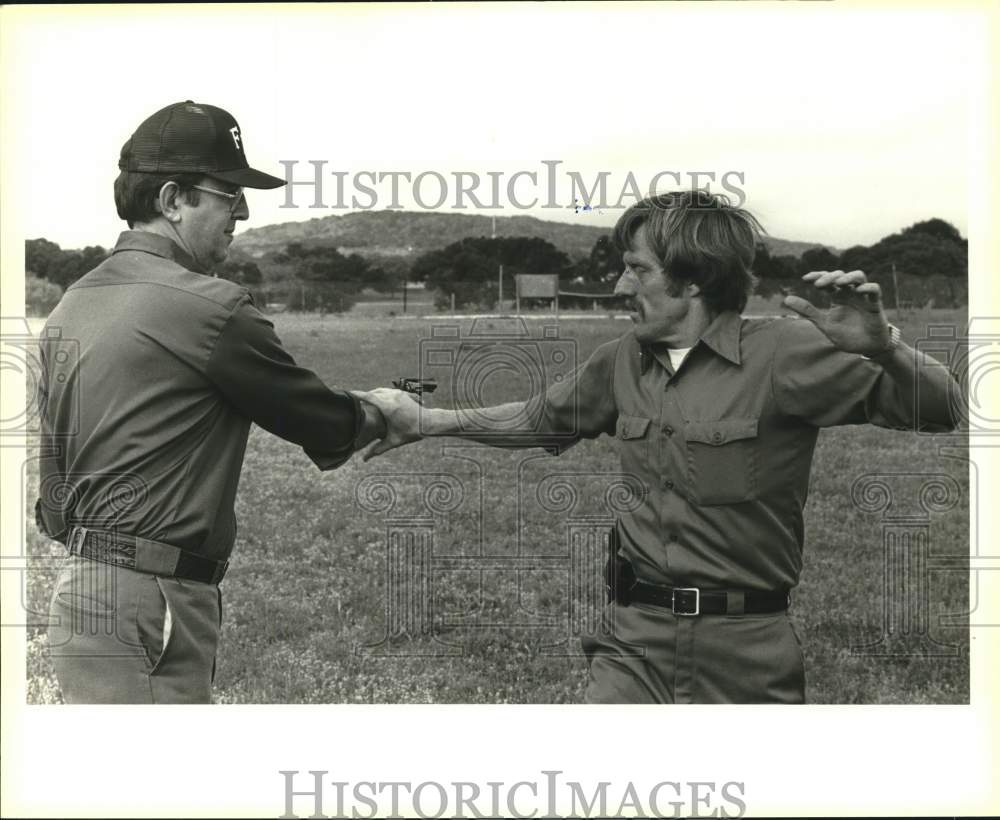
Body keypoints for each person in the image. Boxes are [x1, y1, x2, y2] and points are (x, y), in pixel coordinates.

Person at [352, 190, 961, 704]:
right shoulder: (619, 360)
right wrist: (426, 421)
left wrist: (887, 351)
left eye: (638, 270)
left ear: (692, 278)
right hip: (633, 641)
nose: (620, 285)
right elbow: (541, 417)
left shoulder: (785, 354)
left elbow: (941, 410)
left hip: (747, 648)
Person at [36, 101, 386, 704]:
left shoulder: (70, 304)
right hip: (151, 599)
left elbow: (52, 500)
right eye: (228, 193)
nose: (243, 212)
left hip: (82, 595)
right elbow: (327, 424)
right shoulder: (212, 306)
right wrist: (382, 410)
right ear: (173, 200)